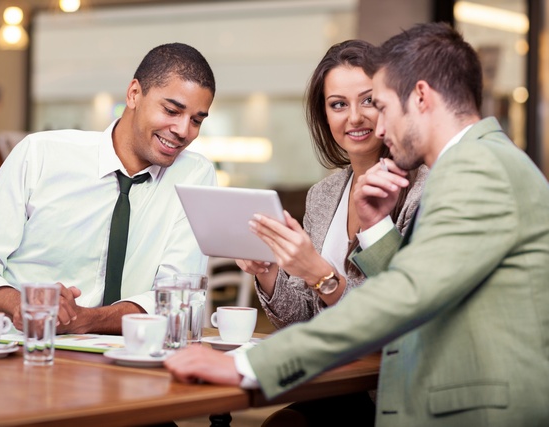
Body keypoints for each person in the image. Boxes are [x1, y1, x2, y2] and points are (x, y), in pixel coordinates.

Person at [165, 22, 549, 427]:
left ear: (420, 97)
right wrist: (375, 226)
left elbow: (404, 296)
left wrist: (251, 365)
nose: (376, 127)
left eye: (379, 106)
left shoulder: (475, 168)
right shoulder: (483, 160)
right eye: (339, 105)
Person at [0, 43, 217, 335]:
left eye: (196, 120)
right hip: (25, 349)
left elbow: (179, 294)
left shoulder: (194, 175)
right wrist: (20, 304)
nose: (183, 130)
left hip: (130, 359)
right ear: (134, 94)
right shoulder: (40, 154)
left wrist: (86, 319)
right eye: (171, 110)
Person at [237, 40, 427, 427]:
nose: (354, 117)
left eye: (368, 101)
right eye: (338, 104)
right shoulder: (323, 195)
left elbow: (399, 317)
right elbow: (304, 321)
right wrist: (269, 272)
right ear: (324, 115)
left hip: (387, 391)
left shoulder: (421, 189)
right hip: (330, 384)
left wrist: (323, 277)